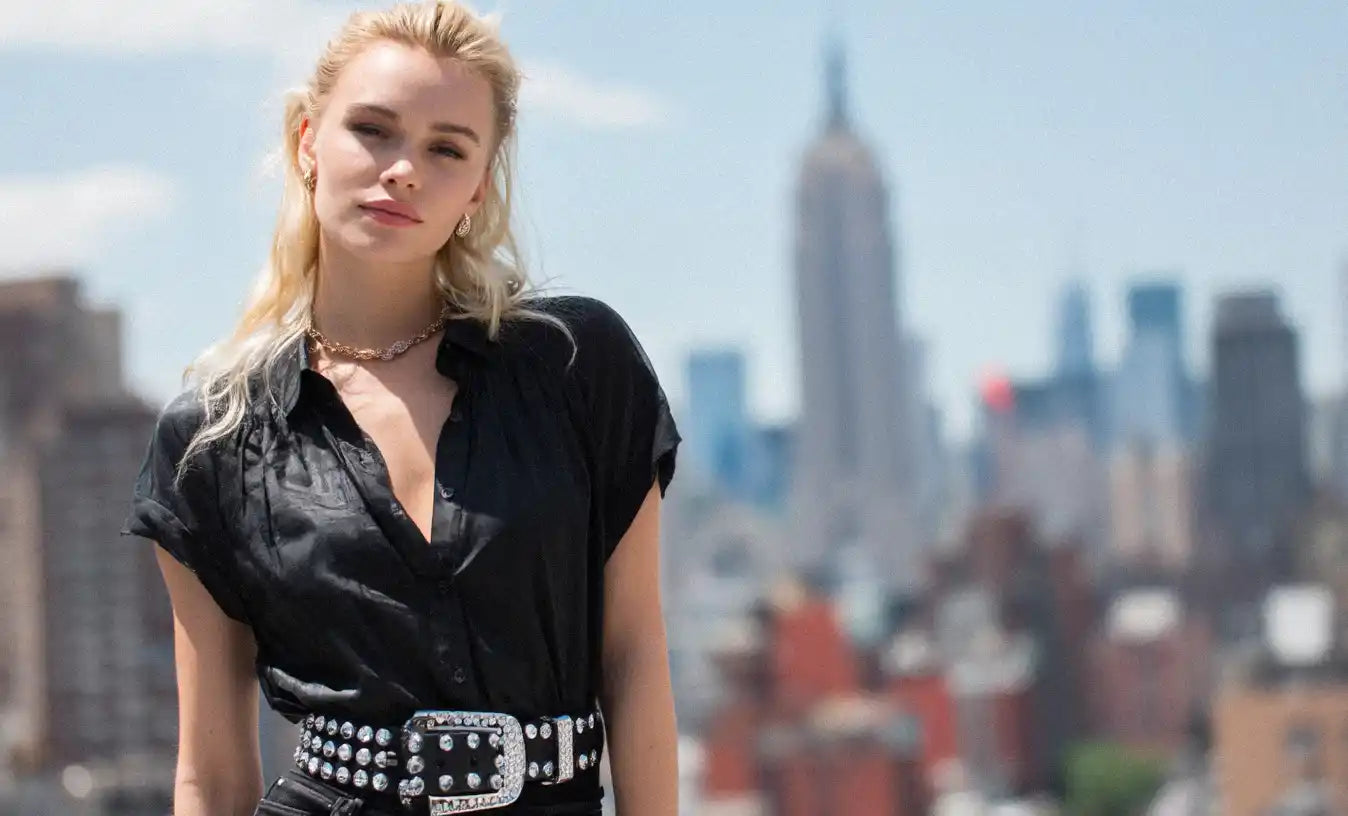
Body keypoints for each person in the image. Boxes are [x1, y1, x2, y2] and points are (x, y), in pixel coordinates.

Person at [120, 3, 681, 814]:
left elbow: (633, 654)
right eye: (373, 130)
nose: (404, 169)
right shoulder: (212, 438)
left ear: (479, 184)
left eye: (445, 147)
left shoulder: (574, 362)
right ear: (308, 141)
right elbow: (209, 769)